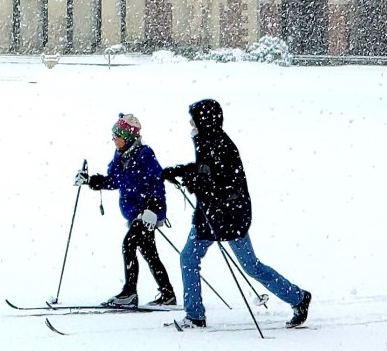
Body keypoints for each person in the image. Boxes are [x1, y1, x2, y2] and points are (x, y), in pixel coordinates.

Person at [162, 98, 311, 329]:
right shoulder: (204, 140)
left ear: (205, 120)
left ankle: (299, 298)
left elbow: (226, 187)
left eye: (194, 118)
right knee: (188, 257)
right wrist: (180, 171)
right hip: (208, 214)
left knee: (251, 266)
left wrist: (197, 184)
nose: (190, 123)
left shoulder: (223, 146)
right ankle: (194, 316)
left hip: (229, 216)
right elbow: (204, 170)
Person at [75, 113, 178, 308]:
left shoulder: (144, 155)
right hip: (134, 215)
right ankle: (168, 294)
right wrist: (90, 180)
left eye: (117, 136)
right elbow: (113, 180)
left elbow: (157, 184)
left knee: (128, 244)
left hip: (145, 214)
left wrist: (153, 210)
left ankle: (129, 293)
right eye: (113, 136)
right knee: (149, 253)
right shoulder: (120, 156)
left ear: (128, 137)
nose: (114, 140)